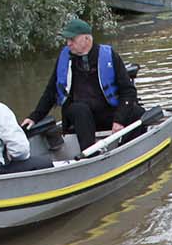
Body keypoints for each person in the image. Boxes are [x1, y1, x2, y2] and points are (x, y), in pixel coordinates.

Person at [20, 17, 144, 152]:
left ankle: (124, 149)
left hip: (106, 111)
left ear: (87, 39)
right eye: (67, 40)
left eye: (72, 39)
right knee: (80, 109)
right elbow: (51, 91)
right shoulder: (65, 59)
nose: (68, 43)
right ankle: (90, 154)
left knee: (138, 113)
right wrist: (34, 117)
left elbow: (128, 91)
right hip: (79, 116)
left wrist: (119, 119)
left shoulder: (109, 56)